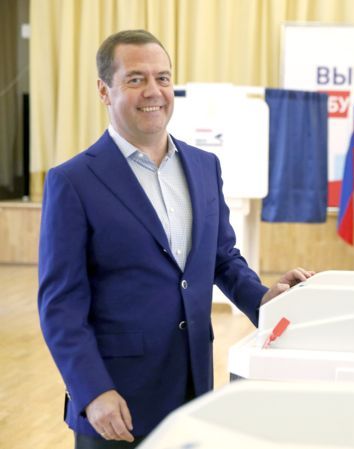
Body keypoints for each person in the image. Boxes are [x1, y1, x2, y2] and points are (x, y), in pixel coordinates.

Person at [38, 29, 314, 449]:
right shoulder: (73, 181)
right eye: (136, 79)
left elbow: (222, 257)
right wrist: (92, 391)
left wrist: (264, 300)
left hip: (192, 390)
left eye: (163, 78)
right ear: (104, 90)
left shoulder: (204, 166)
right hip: (116, 403)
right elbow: (60, 305)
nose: (153, 91)